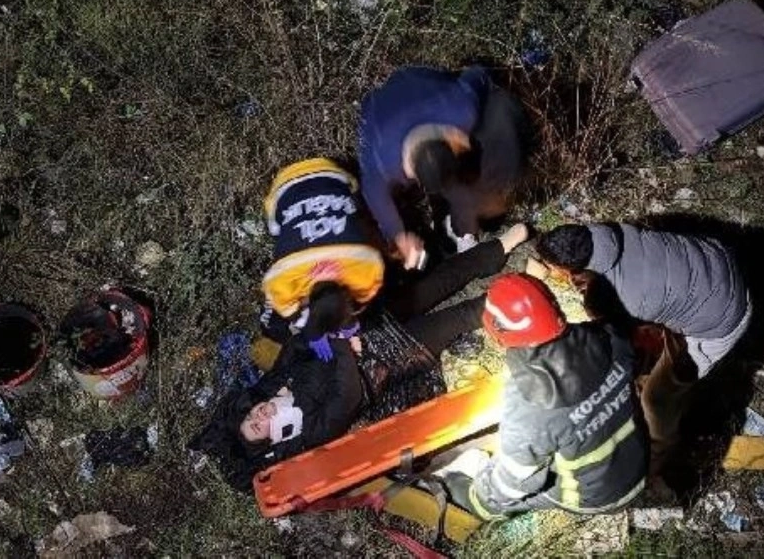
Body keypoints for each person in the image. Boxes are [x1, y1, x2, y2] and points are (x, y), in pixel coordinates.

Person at [192, 224, 532, 489]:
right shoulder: (308, 432)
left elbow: (295, 349)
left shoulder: (275, 386)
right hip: (386, 361)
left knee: (434, 283)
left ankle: (498, 248)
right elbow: (347, 397)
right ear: (271, 438)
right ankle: (525, 291)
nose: (259, 414)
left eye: (251, 415)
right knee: (461, 317)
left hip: (361, 329)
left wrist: (319, 332)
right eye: (258, 426)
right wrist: (343, 347)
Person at [532, 223, 751, 464]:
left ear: (574, 269)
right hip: (717, 261)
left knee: (656, 398)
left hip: (723, 316)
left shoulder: (612, 296)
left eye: (557, 270)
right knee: (657, 331)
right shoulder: (609, 232)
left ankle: (661, 453)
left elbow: (612, 346)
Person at [443, 273, 648, 518]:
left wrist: (479, 490)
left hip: (596, 496)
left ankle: (471, 505)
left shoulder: (528, 402)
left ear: (497, 330)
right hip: (639, 465)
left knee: (479, 494)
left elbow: (516, 482)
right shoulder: (611, 337)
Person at [358, 65, 529, 268]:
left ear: (455, 139)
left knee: (502, 106)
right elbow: (376, 199)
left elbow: (480, 73)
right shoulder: (380, 162)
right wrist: (398, 235)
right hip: (380, 104)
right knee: (454, 187)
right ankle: (457, 221)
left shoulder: (461, 107)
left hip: (420, 82)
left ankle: (465, 220)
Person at [258, 158, 385, 361]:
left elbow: (361, 300)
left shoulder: (366, 267)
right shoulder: (282, 278)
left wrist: (346, 326)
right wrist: (316, 330)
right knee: (277, 230)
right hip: (300, 180)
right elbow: (287, 310)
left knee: (356, 214)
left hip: (327, 175)